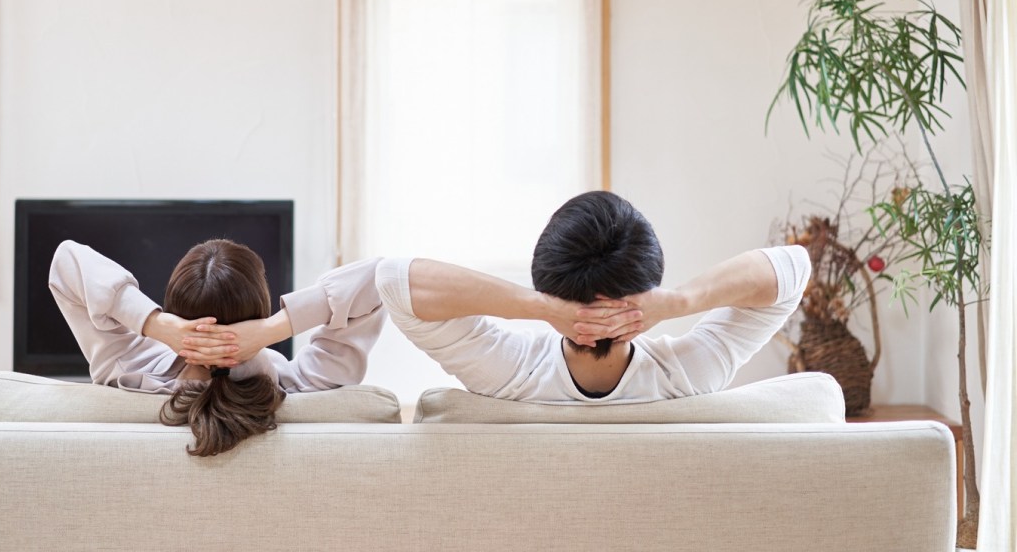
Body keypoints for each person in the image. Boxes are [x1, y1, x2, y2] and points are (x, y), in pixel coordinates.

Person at [375, 190, 812, 403]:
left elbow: (395, 281)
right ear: (649, 285)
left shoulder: (510, 377)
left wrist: (539, 307)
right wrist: (676, 301)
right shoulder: (685, 378)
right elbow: (793, 268)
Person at [49, 238, 385, 455]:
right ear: (259, 308)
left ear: (175, 311)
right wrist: (273, 328)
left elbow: (66, 260)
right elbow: (380, 279)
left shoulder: (127, 371)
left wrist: (156, 324)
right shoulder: (308, 386)